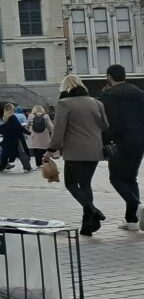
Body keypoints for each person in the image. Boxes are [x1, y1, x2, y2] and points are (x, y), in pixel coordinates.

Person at [49, 74, 110, 236]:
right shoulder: (97, 102)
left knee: (71, 184)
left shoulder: (64, 103)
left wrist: (51, 148)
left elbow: (58, 129)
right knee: (85, 184)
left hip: (75, 151)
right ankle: (87, 226)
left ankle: (93, 210)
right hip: (94, 150)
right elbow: (105, 125)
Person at [99, 64, 144, 231]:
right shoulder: (139, 93)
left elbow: (106, 122)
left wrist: (106, 141)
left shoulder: (107, 96)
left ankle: (137, 206)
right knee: (131, 178)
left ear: (109, 77)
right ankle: (131, 220)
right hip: (139, 140)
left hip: (120, 141)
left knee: (116, 178)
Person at [0, 102, 31, 172]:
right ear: (11, 109)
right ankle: (27, 167)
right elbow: (19, 127)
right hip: (15, 138)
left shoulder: (5, 118)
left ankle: (1, 167)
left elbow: (4, 128)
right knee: (22, 153)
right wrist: (29, 133)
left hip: (7, 139)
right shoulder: (13, 117)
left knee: (5, 154)